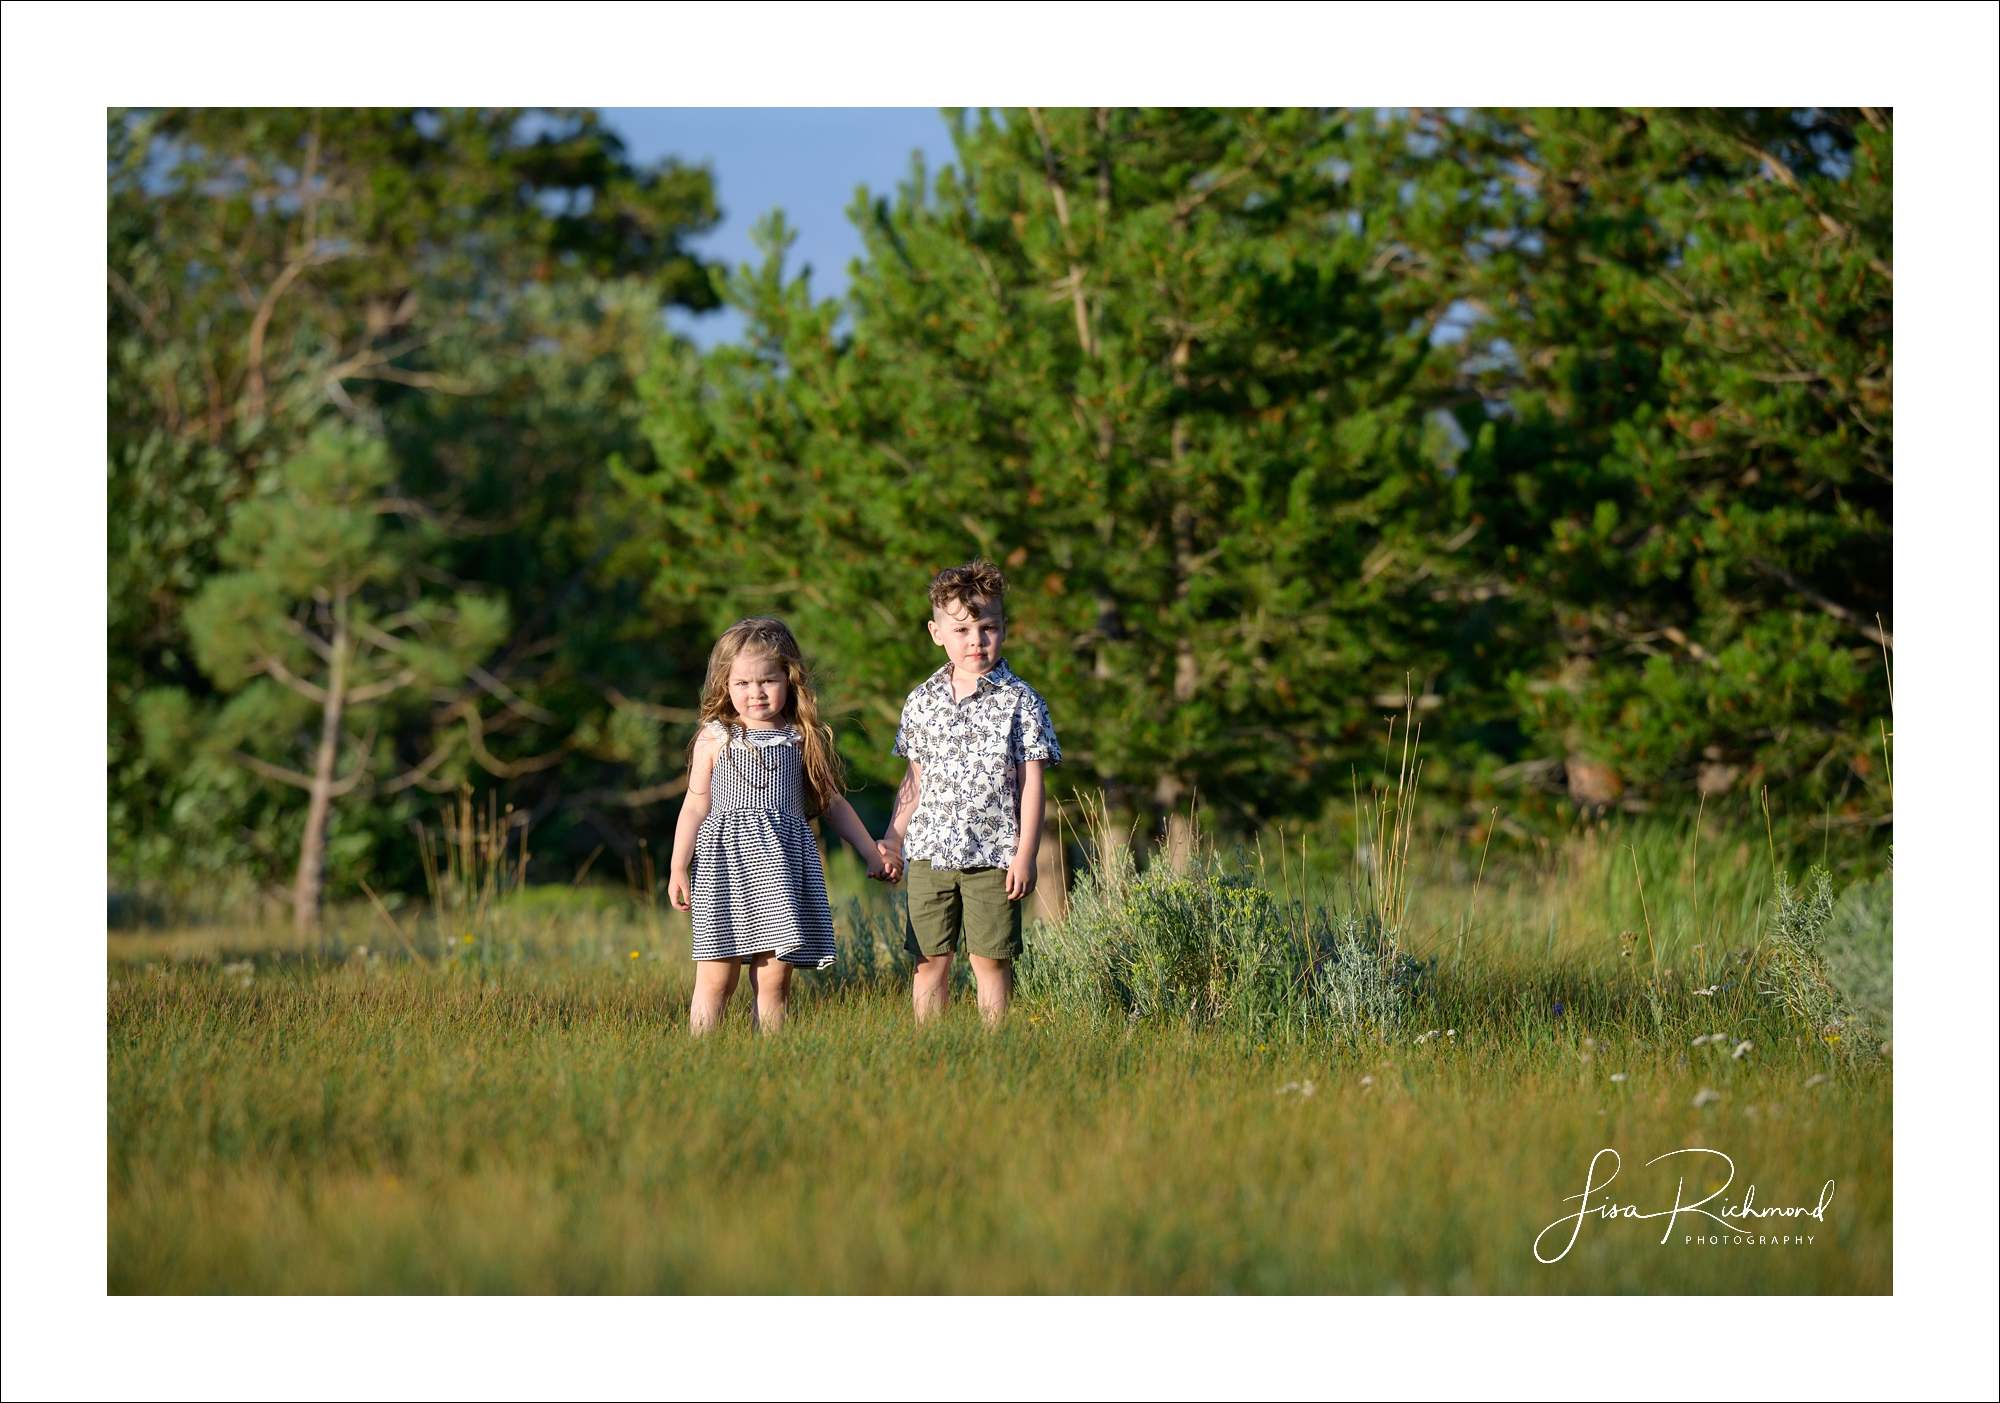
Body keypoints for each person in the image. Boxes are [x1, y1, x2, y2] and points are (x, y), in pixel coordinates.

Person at [668, 617, 889, 1033]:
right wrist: (680, 866)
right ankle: (698, 1058)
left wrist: (869, 850)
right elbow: (695, 806)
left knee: (774, 977)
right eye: (742, 684)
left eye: (767, 681)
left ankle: (768, 1057)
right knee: (717, 976)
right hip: (725, 870)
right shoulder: (716, 737)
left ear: (789, 679)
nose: (756, 693)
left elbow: (831, 802)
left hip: (781, 872)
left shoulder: (801, 737)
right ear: (724, 685)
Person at [877, 560, 1061, 1026]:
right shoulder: (921, 700)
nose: (976, 640)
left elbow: (1031, 784)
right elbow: (914, 780)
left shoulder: (1022, 700)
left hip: (995, 855)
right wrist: (894, 838)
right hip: (928, 855)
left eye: (987, 627)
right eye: (961, 629)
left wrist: (1026, 855)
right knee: (928, 961)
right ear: (937, 632)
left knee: (989, 961)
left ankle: (993, 1048)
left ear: (1004, 628)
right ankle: (929, 1049)